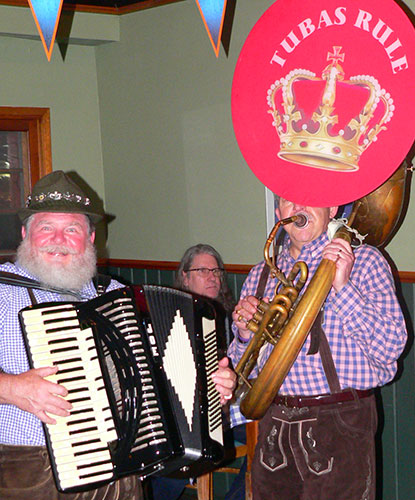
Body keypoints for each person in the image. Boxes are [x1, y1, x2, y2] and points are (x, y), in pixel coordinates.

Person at [0, 171, 237, 500]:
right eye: (46, 227)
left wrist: (211, 386)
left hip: (121, 474)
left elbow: (165, 375)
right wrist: (11, 388)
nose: (59, 239)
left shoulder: (117, 295)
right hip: (29, 470)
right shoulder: (3, 292)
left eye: (72, 229)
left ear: (90, 238)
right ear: (26, 233)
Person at [228, 197, 408, 500]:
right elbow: (240, 370)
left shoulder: (365, 261)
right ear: (279, 213)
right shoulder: (261, 273)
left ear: (332, 209)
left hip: (339, 423)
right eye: (288, 201)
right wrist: (245, 334)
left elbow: (391, 347)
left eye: (310, 199)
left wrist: (343, 287)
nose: (298, 208)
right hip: (274, 426)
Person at [150, 244, 246, 500]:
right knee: (180, 449)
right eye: (203, 270)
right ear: (185, 276)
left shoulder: (230, 314)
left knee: (271, 438)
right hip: (180, 415)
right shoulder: (166, 314)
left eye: (216, 271)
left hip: (229, 410)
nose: (213, 277)